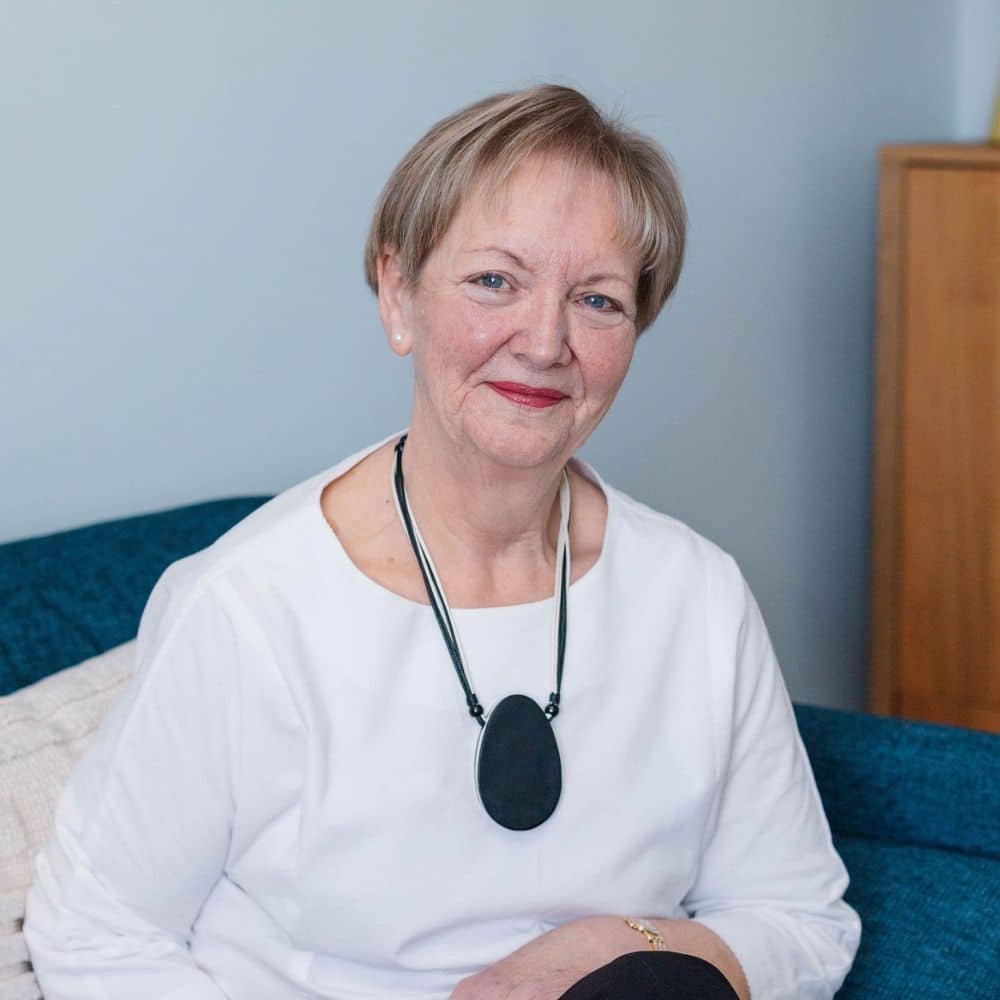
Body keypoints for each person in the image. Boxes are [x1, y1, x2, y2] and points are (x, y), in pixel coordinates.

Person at [24, 83, 861, 999]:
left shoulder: (697, 596)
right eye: (495, 281)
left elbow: (800, 919)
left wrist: (612, 944)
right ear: (397, 292)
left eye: (598, 300)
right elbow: (98, 935)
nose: (544, 342)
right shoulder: (245, 607)